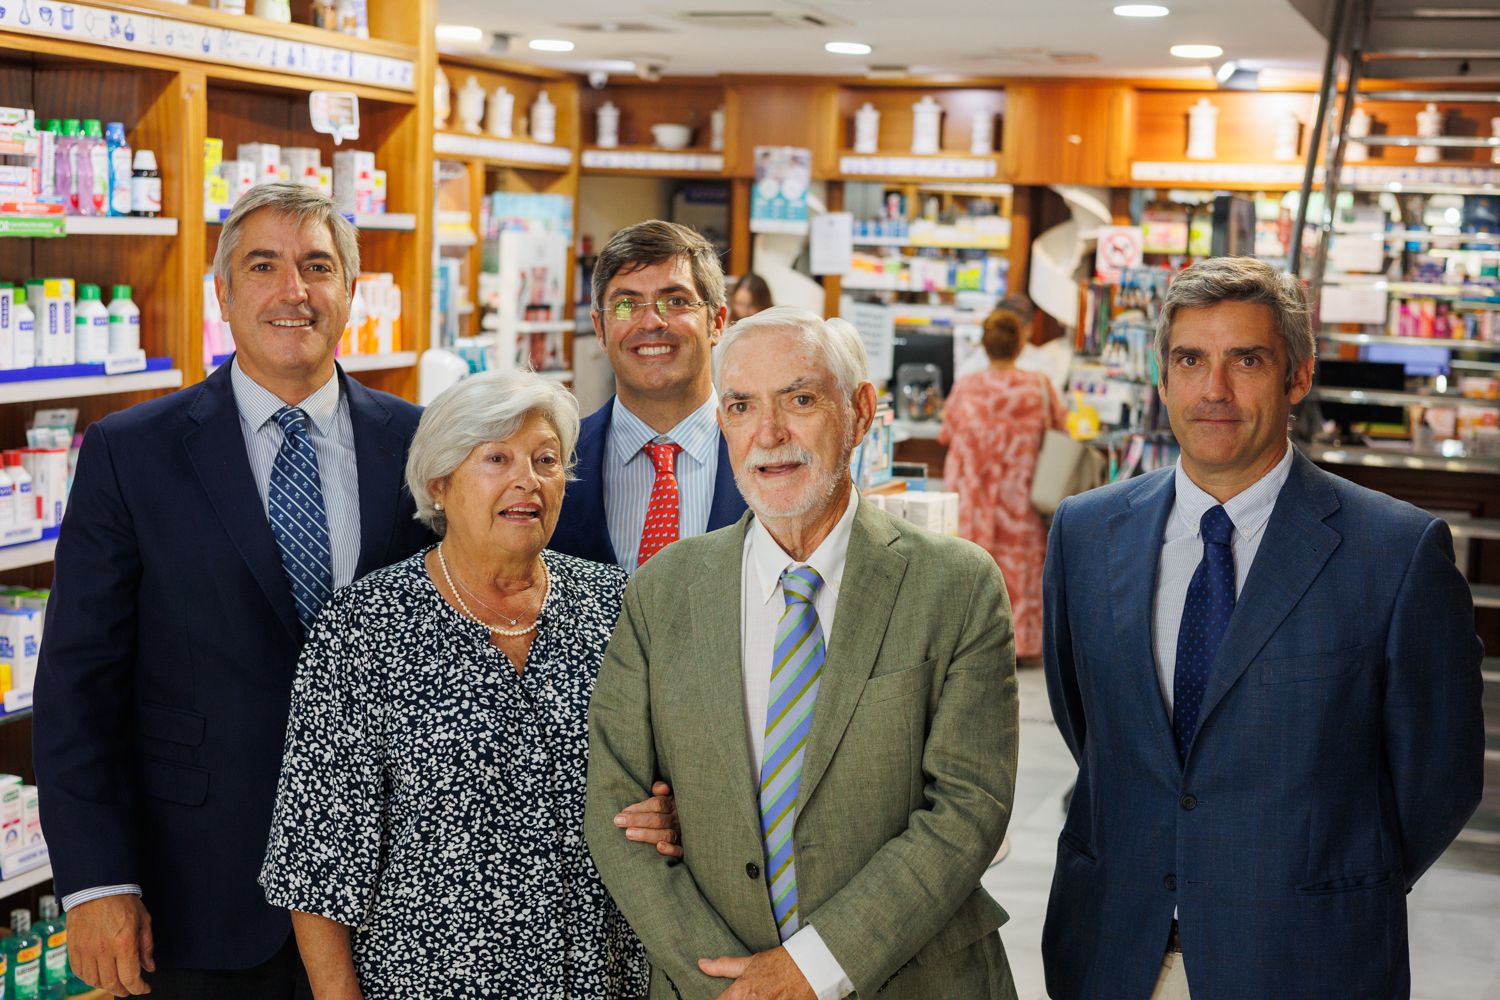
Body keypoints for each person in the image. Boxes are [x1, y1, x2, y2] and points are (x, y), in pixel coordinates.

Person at [1041, 256, 1484, 999]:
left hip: (1304, 959)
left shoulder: (1395, 552)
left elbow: (1438, 781)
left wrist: (1326, 883)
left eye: (1246, 360)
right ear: (1162, 376)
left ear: (1297, 377)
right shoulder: (1086, 534)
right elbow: (1092, 730)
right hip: (1113, 949)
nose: (1213, 390)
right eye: (1191, 360)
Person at [32, 183, 435, 998]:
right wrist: (96, 882)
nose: (294, 291)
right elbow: (78, 687)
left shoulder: (424, 445)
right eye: (264, 266)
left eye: (318, 266)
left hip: (399, 893)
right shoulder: (132, 453)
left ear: (351, 291)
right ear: (223, 291)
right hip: (200, 896)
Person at [587, 306, 1020, 1000]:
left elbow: (967, 810)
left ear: (860, 410)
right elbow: (616, 810)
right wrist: (729, 984)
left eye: (800, 398)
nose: (771, 433)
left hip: (919, 980)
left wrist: (810, 969)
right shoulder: (663, 591)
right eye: (741, 405)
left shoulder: (956, 585)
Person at [260, 370, 676, 999]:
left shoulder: (616, 607)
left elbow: (674, 777)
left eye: (545, 460)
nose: (527, 480)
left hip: (603, 977)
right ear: (439, 482)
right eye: (496, 458)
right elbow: (316, 864)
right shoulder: (364, 630)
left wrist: (671, 812)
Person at [550, 220, 746, 571]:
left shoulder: (767, 455)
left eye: (675, 300)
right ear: (600, 329)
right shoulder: (554, 462)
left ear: (717, 322)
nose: (651, 321)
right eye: (626, 305)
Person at [939, 303, 1066, 663]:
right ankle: (1022, 644)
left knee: (972, 565)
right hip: (1021, 496)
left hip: (975, 497)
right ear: (1021, 343)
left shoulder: (967, 387)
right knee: (1021, 564)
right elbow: (1061, 429)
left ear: (985, 344)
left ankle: (971, 642)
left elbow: (945, 433)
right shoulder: (1037, 387)